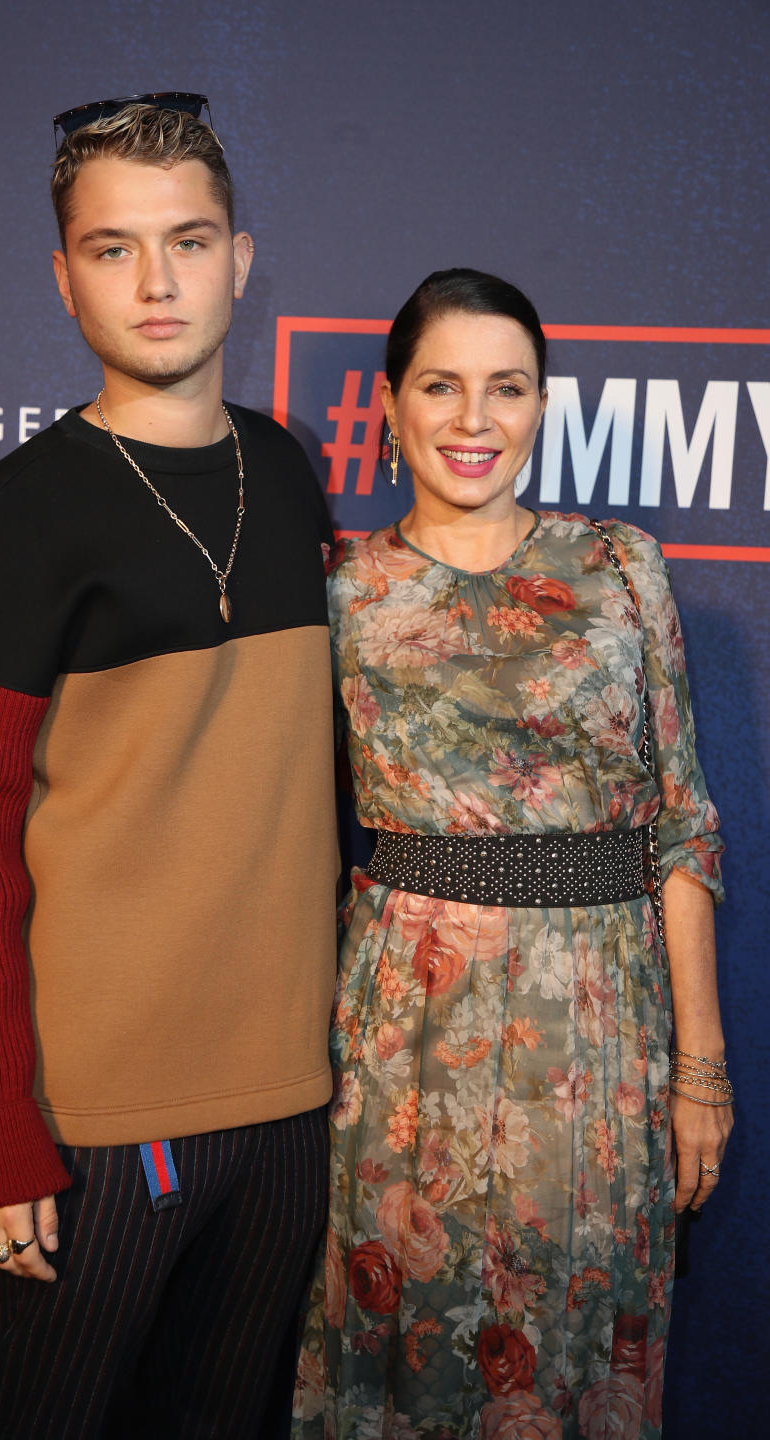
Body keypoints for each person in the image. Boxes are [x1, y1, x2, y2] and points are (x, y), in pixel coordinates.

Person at [0, 94, 338, 1439]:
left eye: (189, 240)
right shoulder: (13, 516)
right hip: (98, 1119)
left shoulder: (288, 469)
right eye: (113, 248)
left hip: (293, 1105)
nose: (158, 283)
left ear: (242, 261)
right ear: (63, 275)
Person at [292, 269, 732, 1439]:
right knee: (409, 1350)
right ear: (388, 406)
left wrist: (702, 1066)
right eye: (441, 386)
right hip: (404, 1037)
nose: (473, 420)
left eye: (507, 388)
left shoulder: (623, 569)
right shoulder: (340, 593)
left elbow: (680, 822)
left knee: (582, 1350)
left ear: (543, 404)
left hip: (600, 1032)